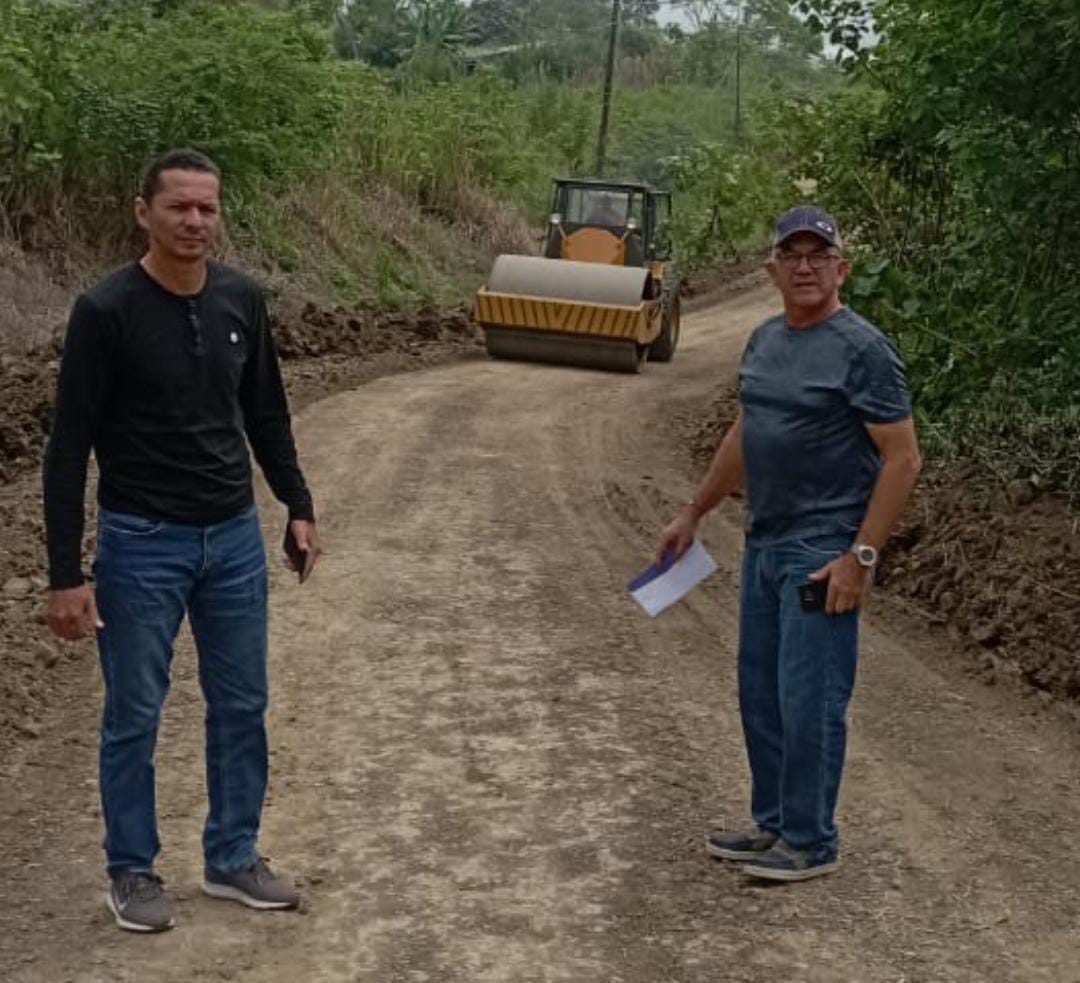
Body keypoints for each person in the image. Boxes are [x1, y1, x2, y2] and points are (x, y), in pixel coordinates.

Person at [43, 148, 321, 931]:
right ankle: (131, 869)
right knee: (135, 711)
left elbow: (266, 412)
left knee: (242, 701)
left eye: (207, 207)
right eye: (179, 207)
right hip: (141, 543)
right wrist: (65, 573)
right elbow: (68, 447)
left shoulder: (241, 299)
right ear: (145, 213)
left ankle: (232, 856)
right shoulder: (106, 311)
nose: (195, 221)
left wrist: (297, 502)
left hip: (232, 538)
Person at [656, 206, 922, 882]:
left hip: (822, 550)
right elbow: (745, 433)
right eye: (792, 255)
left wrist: (861, 557)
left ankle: (811, 840)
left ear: (842, 269)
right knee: (762, 692)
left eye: (819, 255)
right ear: (771, 269)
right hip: (766, 540)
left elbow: (903, 459)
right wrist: (694, 511)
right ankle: (775, 822)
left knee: (810, 697)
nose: (806, 266)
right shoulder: (764, 341)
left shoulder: (863, 350)